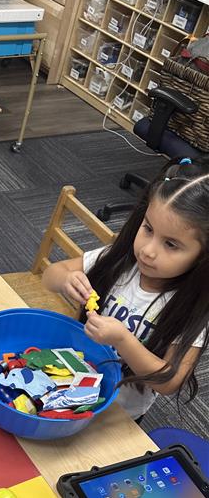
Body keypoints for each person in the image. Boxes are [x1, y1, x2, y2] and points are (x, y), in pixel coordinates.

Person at [42, 157, 209, 421]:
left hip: (118, 412)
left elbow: (169, 382)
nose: (148, 250)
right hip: (66, 376)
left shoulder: (193, 308)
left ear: (202, 257)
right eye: (148, 228)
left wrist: (123, 340)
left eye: (171, 245)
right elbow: (50, 276)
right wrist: (66, 279)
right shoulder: (120, 260)